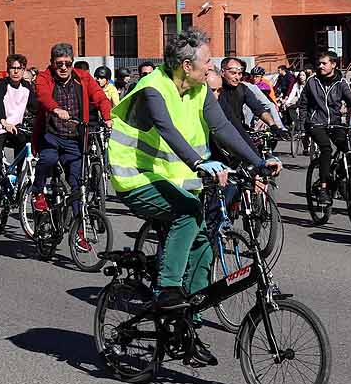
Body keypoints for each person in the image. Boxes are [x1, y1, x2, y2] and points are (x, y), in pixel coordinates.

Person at [110, 28, 280, 366]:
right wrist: (200, 162)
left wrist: (257, 162)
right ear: (187, 65)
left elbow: (224, 128)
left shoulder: (200, 90)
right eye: (206, 60)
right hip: (137, 177)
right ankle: (167, 287)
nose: (211, 65)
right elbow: (166, 129)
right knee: (189, 214)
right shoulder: (152, 88)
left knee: (205, 236)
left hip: (177, 180)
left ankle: (187, 329)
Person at [32, 42, 115, 251]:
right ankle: (37, 192)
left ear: (72, 63)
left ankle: (79, 233)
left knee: (78, 186)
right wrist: (55, 108)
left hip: (75, 139)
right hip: (51, 134)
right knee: (48, 159)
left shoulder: (82, 77)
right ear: (52, 63)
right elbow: (42, 96)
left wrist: (107, 117)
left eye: (67, 63)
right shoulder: (44, 77)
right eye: (59, 63)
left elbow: (100, 97)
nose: (63, 67)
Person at [301, 51, 351, 192]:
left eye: (324, 63)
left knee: (349, 151)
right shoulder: (312, 82)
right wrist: (303, 127)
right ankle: (323, 188)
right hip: (316, 123)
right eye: (319, 63)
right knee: (326, 149)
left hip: (335, 123)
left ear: (333, 64)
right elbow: (303, 104)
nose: (320, 66)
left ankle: (341, 176)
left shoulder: (341, 82)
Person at [0, 54, 35, 201]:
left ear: (24, 70)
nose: (16, 71)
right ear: (8, 70)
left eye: (19, 68)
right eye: (13, 68)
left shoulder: (27, 87)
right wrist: (4, 121)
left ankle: (16, 181)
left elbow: (35, 107)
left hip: (14, 129)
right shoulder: (0, 85)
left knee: (25, 145)